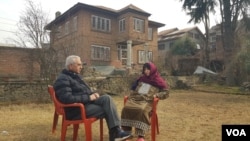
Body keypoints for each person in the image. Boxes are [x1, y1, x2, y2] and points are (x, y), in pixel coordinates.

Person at [53, 55, 132, 141]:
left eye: (81, 64)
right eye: (79, 65)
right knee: (107, 109)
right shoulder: (63, 79)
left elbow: (84, 91)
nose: (81, 67)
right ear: (70, 66)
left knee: (107, 98)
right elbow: (67, 99)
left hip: (85, 104)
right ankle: (115, 134)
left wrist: (93, 94)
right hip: (76, 110)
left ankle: (116, 132)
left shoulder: (76, 76)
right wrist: (88, 97)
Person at [121, 62, 169, 141]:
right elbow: (133, 88)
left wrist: (157, 95)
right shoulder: (141, 79)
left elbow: (166, 92)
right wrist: (132, 94)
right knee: (126, 108)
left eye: (148, 69)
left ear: (152, 70)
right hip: (136, 98)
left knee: (141, 110)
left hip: (148, 101)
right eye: (145, 69)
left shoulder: (159, 80)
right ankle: (127, 133)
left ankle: (140, 136)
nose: (146, 71)